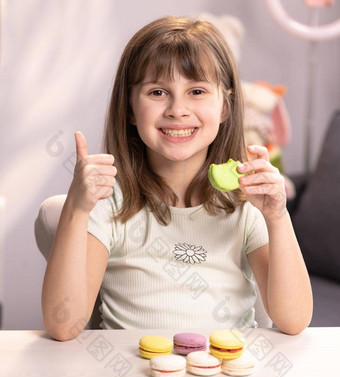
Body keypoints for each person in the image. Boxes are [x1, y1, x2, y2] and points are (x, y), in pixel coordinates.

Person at [42, 16, 313, 341]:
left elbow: (294, 319)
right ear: (129, 107)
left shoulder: (245, 201)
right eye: (158, 92)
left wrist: (278, 217)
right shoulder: (110, 202)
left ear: (225, 106)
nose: (178, 109)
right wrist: (76, 208)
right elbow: (63, 325)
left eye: (196, 91)